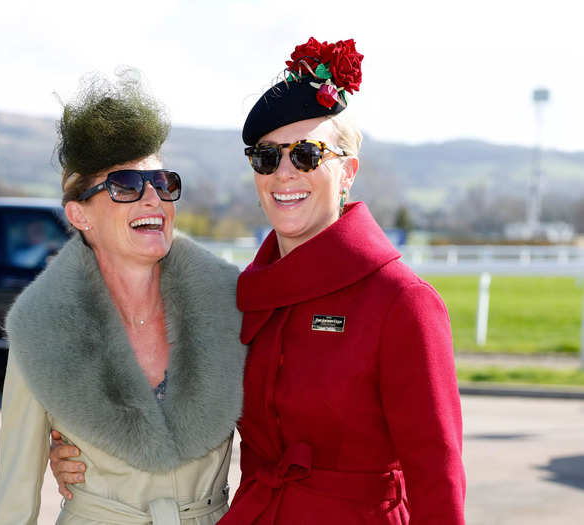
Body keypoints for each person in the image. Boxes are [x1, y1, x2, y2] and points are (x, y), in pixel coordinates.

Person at [51, 38, 466, 524]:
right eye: (267, 157)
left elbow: (437, 476)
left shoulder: (401, 302)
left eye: (307, 155)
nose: (284, 174)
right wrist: (80, 454)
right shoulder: (246, 296)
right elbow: (179, 407)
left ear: (347, 172)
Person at [0, 72, 247, 525]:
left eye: (163, 183)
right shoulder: (42, 328)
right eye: (126, 185)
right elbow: (14, 494)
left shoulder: (230, 302)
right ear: (79, 215)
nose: (152, 198)